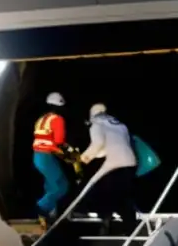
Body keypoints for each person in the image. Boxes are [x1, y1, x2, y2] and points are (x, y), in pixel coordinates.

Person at [79, 103, 138, 235]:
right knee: (123, 197)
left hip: (113, 164)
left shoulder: (97, 125)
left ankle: (105, 223)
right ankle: (130, 229)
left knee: (103, 193)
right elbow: (112, 146)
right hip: (129, 162)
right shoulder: (119, 125)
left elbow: (98, 144)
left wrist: (83, 158)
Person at [32, 92, 72, 226]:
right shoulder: (57, 119)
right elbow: (59, 141)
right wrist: (71, 155)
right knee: (61, 186)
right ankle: (41, 209)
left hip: (38, 156)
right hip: (46, 157)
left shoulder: (41, 119)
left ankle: (49, 215)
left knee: (50, 186)